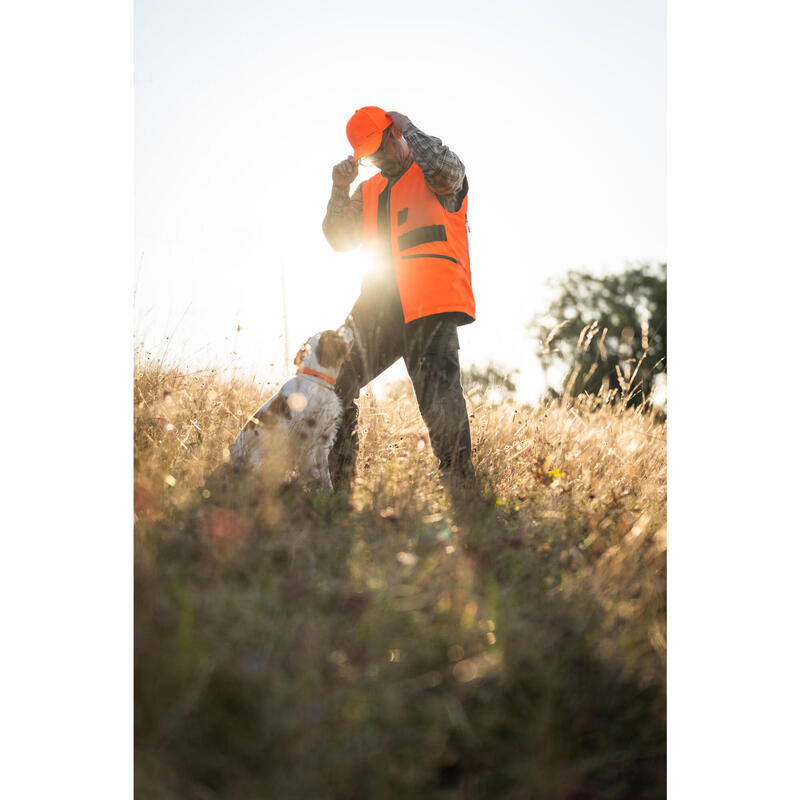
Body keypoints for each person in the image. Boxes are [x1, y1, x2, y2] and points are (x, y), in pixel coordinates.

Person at [322, 106, 477, 494]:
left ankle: (459, 485)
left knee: (438, 396)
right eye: (368, 155)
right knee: (336, 377)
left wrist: (409, 125)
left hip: (432, 302)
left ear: (395, 133)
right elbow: (340, 238)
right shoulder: (369, 190)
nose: (376, 159)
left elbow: (446, 170)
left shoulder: (435, 175)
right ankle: (339, 485)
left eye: (379, 148)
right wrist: (340, 189)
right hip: (378, 305)